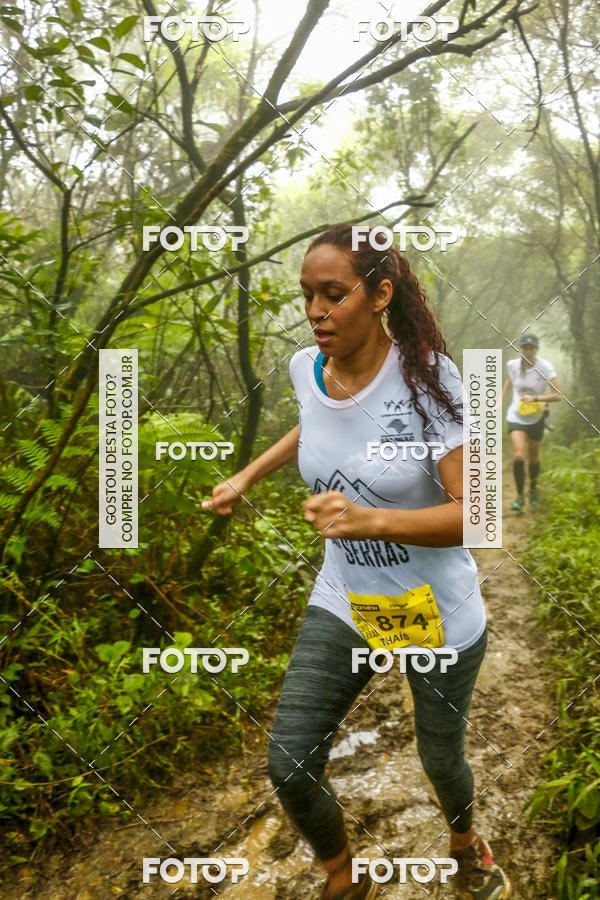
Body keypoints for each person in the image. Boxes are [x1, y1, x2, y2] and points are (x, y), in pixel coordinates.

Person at [202, 223, 510, 900]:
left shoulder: (431, 383)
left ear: (380, 295)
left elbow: (479, 515)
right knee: (288, 763)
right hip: (348, 596)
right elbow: (313, 419)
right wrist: (246, 476)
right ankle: (343, 880)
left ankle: (464, 844)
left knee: (440, 756)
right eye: (307, 295)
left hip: (433, 610)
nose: (315, 310)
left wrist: (371, 518)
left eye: (333, 294)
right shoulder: (307, 366)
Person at [502, 334, 562, 513]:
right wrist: (500, 400)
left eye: (531, 348)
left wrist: (536, 398)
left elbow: (558, 395)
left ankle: (533, 491)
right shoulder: (512, 365)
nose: (528, 351)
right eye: (525, 348)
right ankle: (520, 498)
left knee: (533, 458)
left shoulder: (545, 367)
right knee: (519, 455)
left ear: (537, 350)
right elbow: (510, 381)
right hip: (516, 415)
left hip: (536, 417)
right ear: (521, 349)